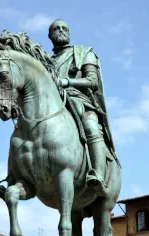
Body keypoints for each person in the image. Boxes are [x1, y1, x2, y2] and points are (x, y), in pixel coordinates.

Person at [48, 19, 119, 195]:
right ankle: (12, 177)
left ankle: (98, 175)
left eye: (65, 28)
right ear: (50, 36)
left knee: (91, 126)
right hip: (53, 104)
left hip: (81, 101)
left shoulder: (84, 53)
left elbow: (92, 81)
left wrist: (66, 81)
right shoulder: (46, 61)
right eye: (57, 29)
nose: (62, 31)